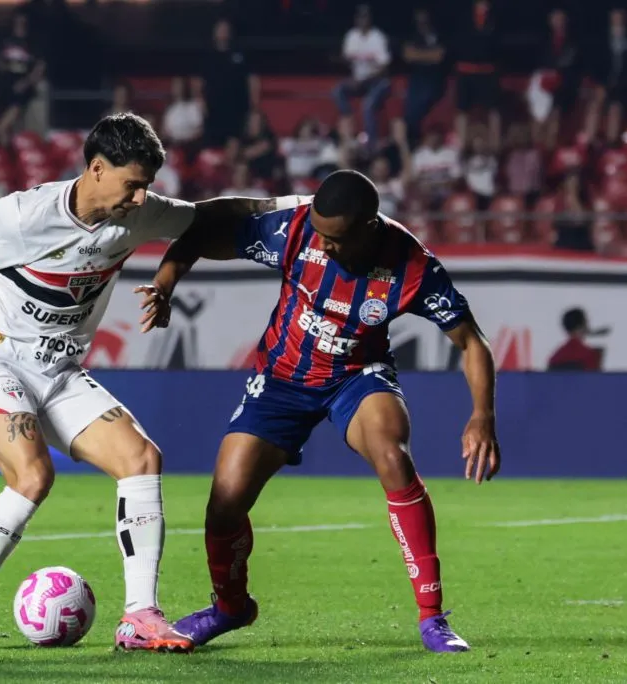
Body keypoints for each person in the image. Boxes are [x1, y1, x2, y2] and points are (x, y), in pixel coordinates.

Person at [0, 112, 278, 653]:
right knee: (33, 475)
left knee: (141, 459)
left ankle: (140, 617)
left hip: (59, 374)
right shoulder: (23, 215)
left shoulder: (140, 214)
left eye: (148, 185)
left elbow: (209, 219)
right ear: (97, 169)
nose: (140, 196)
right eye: (133, 183)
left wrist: (291, 207)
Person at [139, 170, 501, 653]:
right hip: (280, 382)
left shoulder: (411, 265)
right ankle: (230, 608)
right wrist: (165, 282)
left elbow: (470, 341)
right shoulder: (293, 230)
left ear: (369, 227)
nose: (323, 245)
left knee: (393, 457)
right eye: (318, 232)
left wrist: (482, 416)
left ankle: (433, 619)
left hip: (357, 375)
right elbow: (204, 231)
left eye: (334, 239)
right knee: (224, 502)